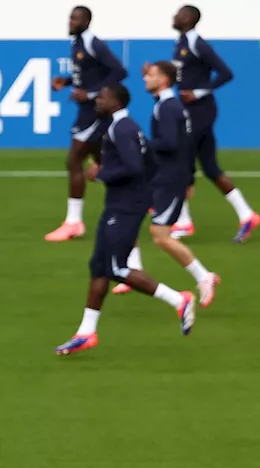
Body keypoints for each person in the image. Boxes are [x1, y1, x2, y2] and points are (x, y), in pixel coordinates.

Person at [56, 84, 196, 356]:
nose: (99, 100)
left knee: (117, 269)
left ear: (117, 101)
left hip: (124, 209)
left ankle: (180, 300)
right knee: (98, 267)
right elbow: (150, 163)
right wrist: (147, 195)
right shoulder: (127, 126)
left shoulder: (121, 129)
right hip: (120, 205)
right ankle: (86, 333)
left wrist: (102, 173)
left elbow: (133, 167)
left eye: (104, 96)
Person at [111, 62, 219, 304]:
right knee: (128, 213)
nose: (145, 80)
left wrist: (142, 144)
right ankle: (131, 271)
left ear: (163, 80)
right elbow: (187, 144)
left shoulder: (167, 108)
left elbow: (170, 144)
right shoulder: (168, 105)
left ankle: (204, 277)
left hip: (169, 180)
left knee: (160, 235)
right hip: (163, 176)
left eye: (150, 76)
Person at [163, 4, 257, 242]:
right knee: (210, 168)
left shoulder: (197, 43)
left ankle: (183, 222)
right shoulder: (181, 43)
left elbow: (226, 73)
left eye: (179, 14)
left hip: (199, 111)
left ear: (189, 19)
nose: (175, 16)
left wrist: (199, 92)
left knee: (179, 160)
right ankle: (247, 215)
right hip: (192, 111)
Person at [45, 6, 128, 242]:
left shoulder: (94, 43)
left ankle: (73, 222)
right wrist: (68, 81)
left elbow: (119, 72)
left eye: (76, 18)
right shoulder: (78, 43)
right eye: (70, 17)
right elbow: (90, 74)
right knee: (106, 162)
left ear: (87, 21)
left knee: (74, 160)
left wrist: (91, 95)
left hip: (94, 113)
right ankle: (151, 200)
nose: (71, 22)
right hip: (87, 110)